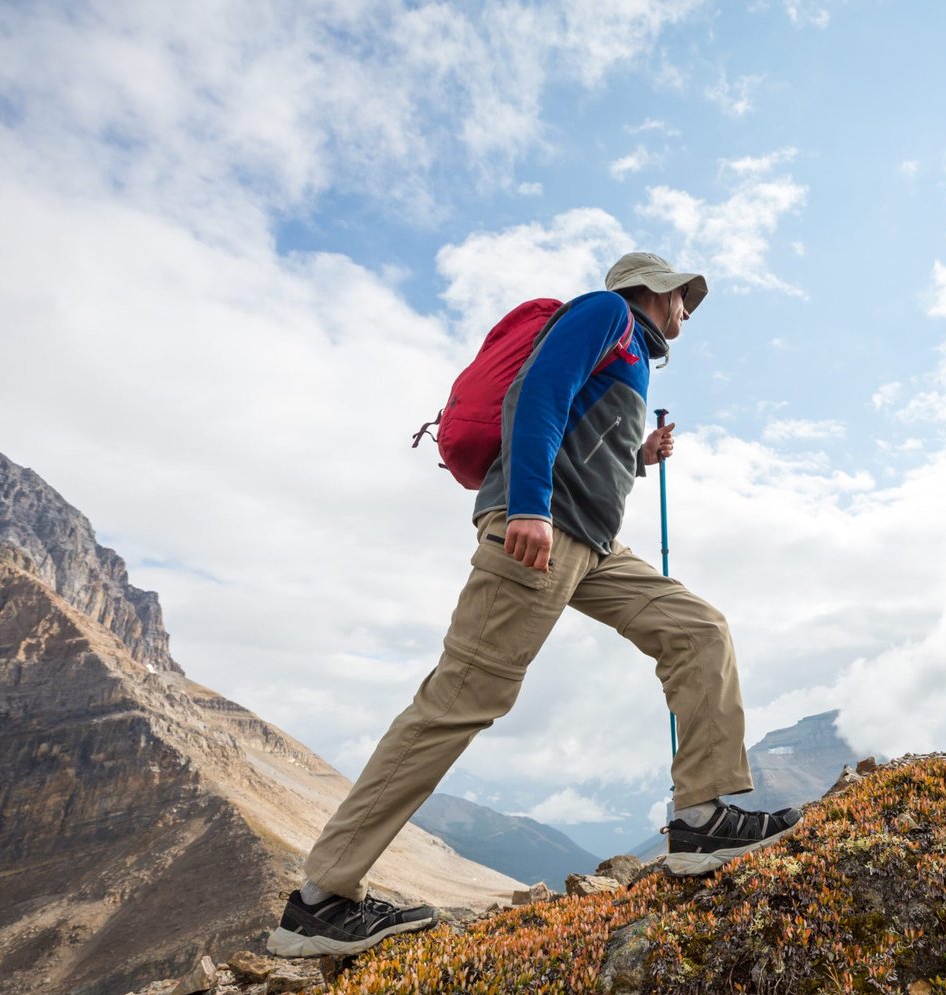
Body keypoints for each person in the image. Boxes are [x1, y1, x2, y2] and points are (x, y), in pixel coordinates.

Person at [268, 252, 800, 958]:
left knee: (698, 629)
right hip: (541, 530)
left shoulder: (631, 352)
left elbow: (578, 430)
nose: (687, 311)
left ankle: (702, 816)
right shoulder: (605, 313)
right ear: (650, 290)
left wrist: (638, 458)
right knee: (459, 700)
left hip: (594, 545)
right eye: (682, 296)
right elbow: (538, 394)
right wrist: (527, 506)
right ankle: (321, 900)